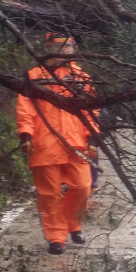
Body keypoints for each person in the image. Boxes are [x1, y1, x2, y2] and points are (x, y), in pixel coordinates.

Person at [16, 33, 100, 255]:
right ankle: (56, 237)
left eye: (68, 47)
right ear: (49, 48)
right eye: (59, 47)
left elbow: (90, 110)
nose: (64, 51)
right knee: (49, 193)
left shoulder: (81, 76)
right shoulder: (34, 76)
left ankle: (73, 223)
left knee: (82, 186)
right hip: (45, 143)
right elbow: (26, 108)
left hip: (76, 143)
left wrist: (91, 136)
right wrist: (26, 134)